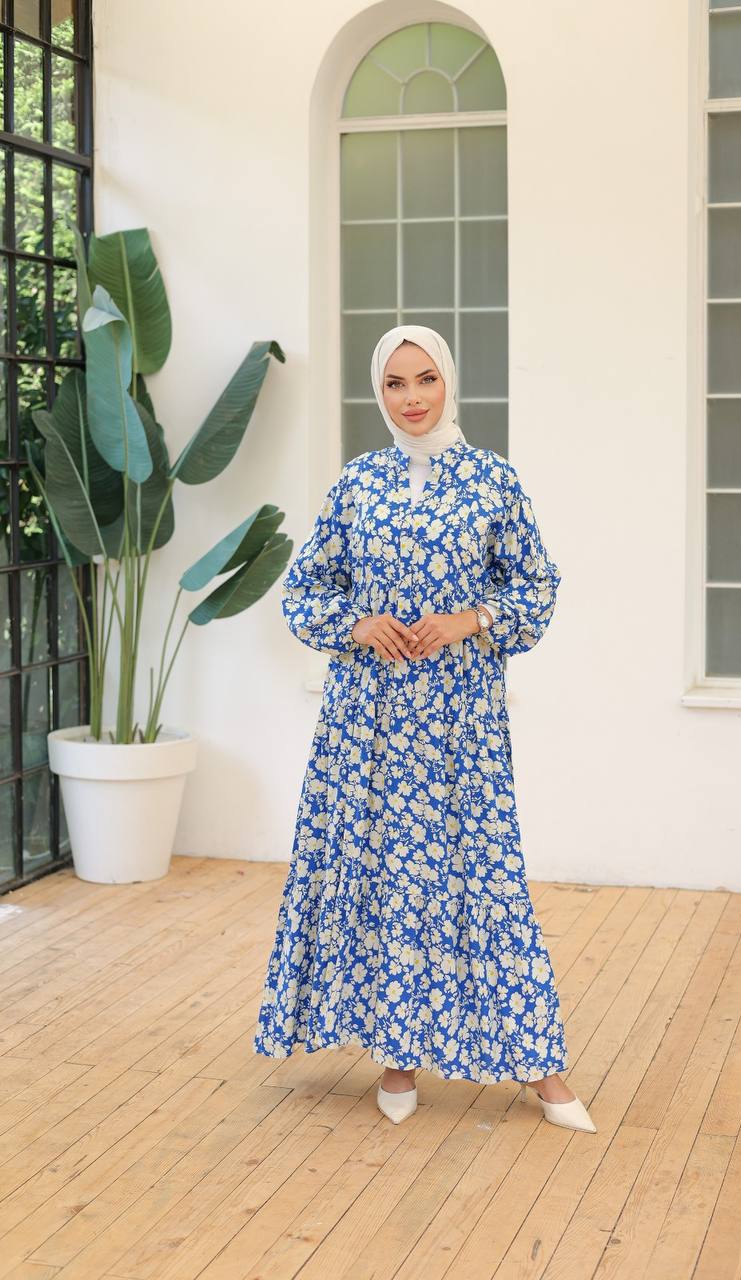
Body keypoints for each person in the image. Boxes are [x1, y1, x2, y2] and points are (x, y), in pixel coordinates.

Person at [253, 324, 595, 1134]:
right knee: (381, 878)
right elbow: (304, 591)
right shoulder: (358, 484)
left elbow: (537, 589)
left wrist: (468, 618)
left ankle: (542, 1069)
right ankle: (396, 1060)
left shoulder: (492, 481)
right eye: (396, 384)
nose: (411, 398)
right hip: (366, 722)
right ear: (380, 392)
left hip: (458, 721)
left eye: (426, 380)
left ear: (450, 384)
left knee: (484, 879)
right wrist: (358, 623)